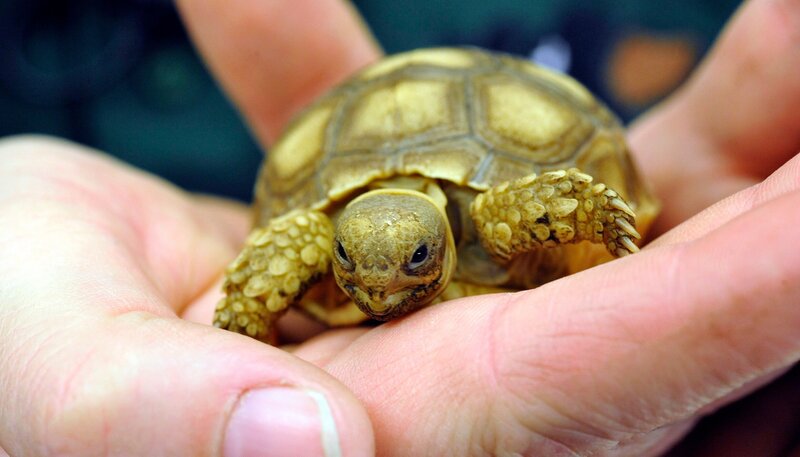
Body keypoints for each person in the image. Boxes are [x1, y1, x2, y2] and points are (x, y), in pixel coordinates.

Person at [1, 0, 798, 455]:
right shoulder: (315, 241)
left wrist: (609, 219)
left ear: (442, 243)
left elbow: (568, 200)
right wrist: (239, 330)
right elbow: (278, 254)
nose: (378, 287)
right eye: (353, 264)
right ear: (335, 242)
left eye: (412, 261)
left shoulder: (503, 215)